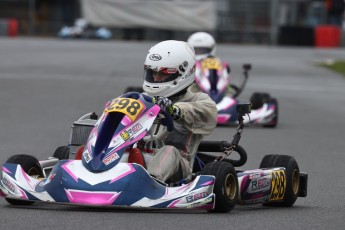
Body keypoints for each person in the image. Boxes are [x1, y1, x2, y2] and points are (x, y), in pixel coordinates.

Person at [141, 40, 217, 184]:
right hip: (141, 158)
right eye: (152, 72)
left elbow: (207, 116)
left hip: (178, 166)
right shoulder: (142, 98)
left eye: (164, 73)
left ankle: (149, 184)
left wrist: (174, 110)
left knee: (169, 151)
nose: (156, 78)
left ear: (183, 73)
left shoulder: (198, 99)